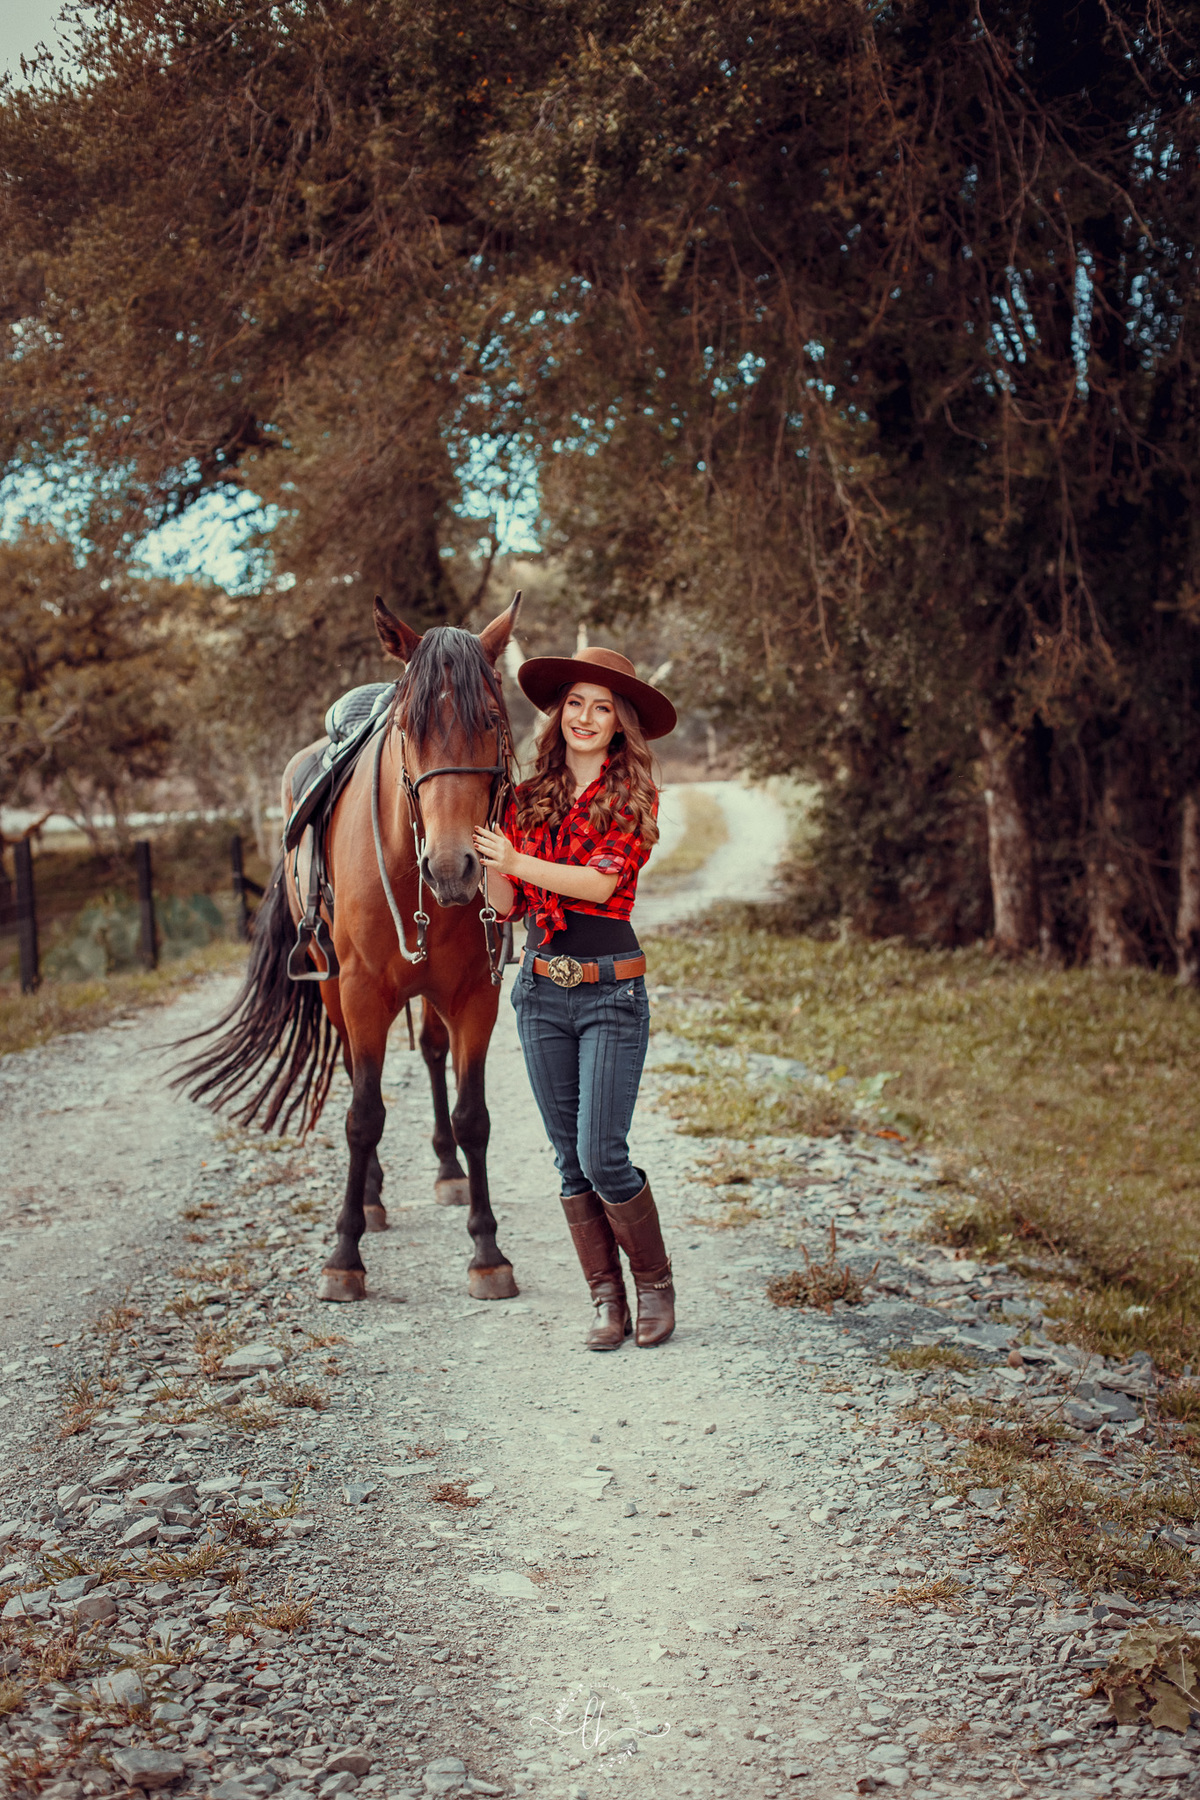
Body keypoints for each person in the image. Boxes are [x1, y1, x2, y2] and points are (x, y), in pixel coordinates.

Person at [473, 646, 678, 1351]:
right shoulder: (528, 799)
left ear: (621, 724)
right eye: (576, 703)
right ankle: (607, 1302)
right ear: (558, 714)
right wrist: (489, 858)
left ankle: (654, 1284)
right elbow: (506, 905)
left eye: (603, 707)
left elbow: (595, 884)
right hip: (540, 991)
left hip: (611, 992)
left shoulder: (634, 796)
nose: (586, 717)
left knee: (602, 1154)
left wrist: (518, 860)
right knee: (568, 1159)